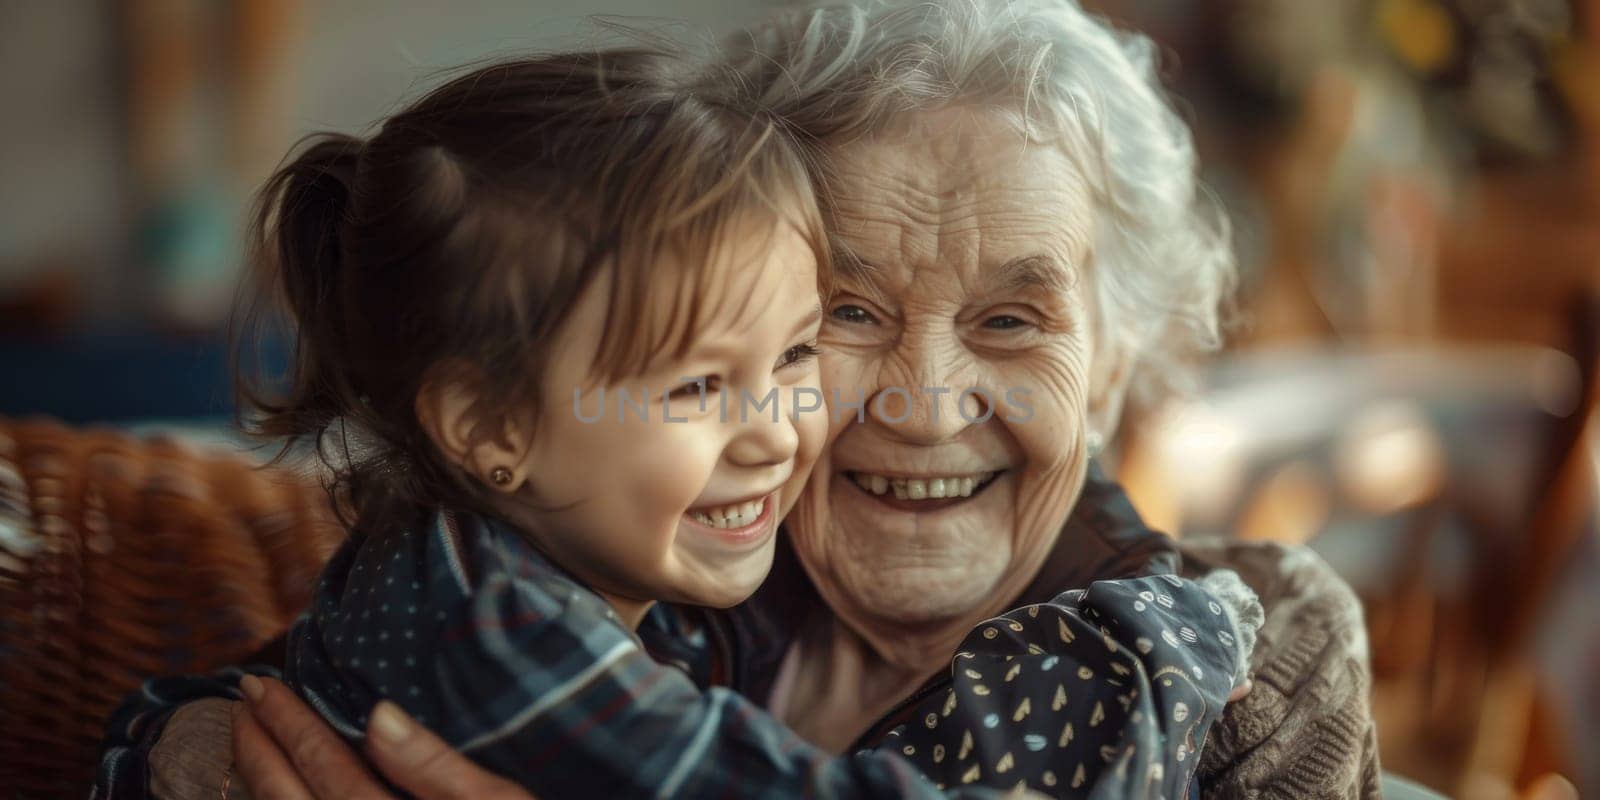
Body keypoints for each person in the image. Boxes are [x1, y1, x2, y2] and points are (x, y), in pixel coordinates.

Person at [97, 1, 1381, 798]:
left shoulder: (1257, 646)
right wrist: (205, 758)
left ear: (1113, 357)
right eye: (848, 316)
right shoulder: (651, 551)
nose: (925, 404)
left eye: (1010, 320)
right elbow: (202, 718)